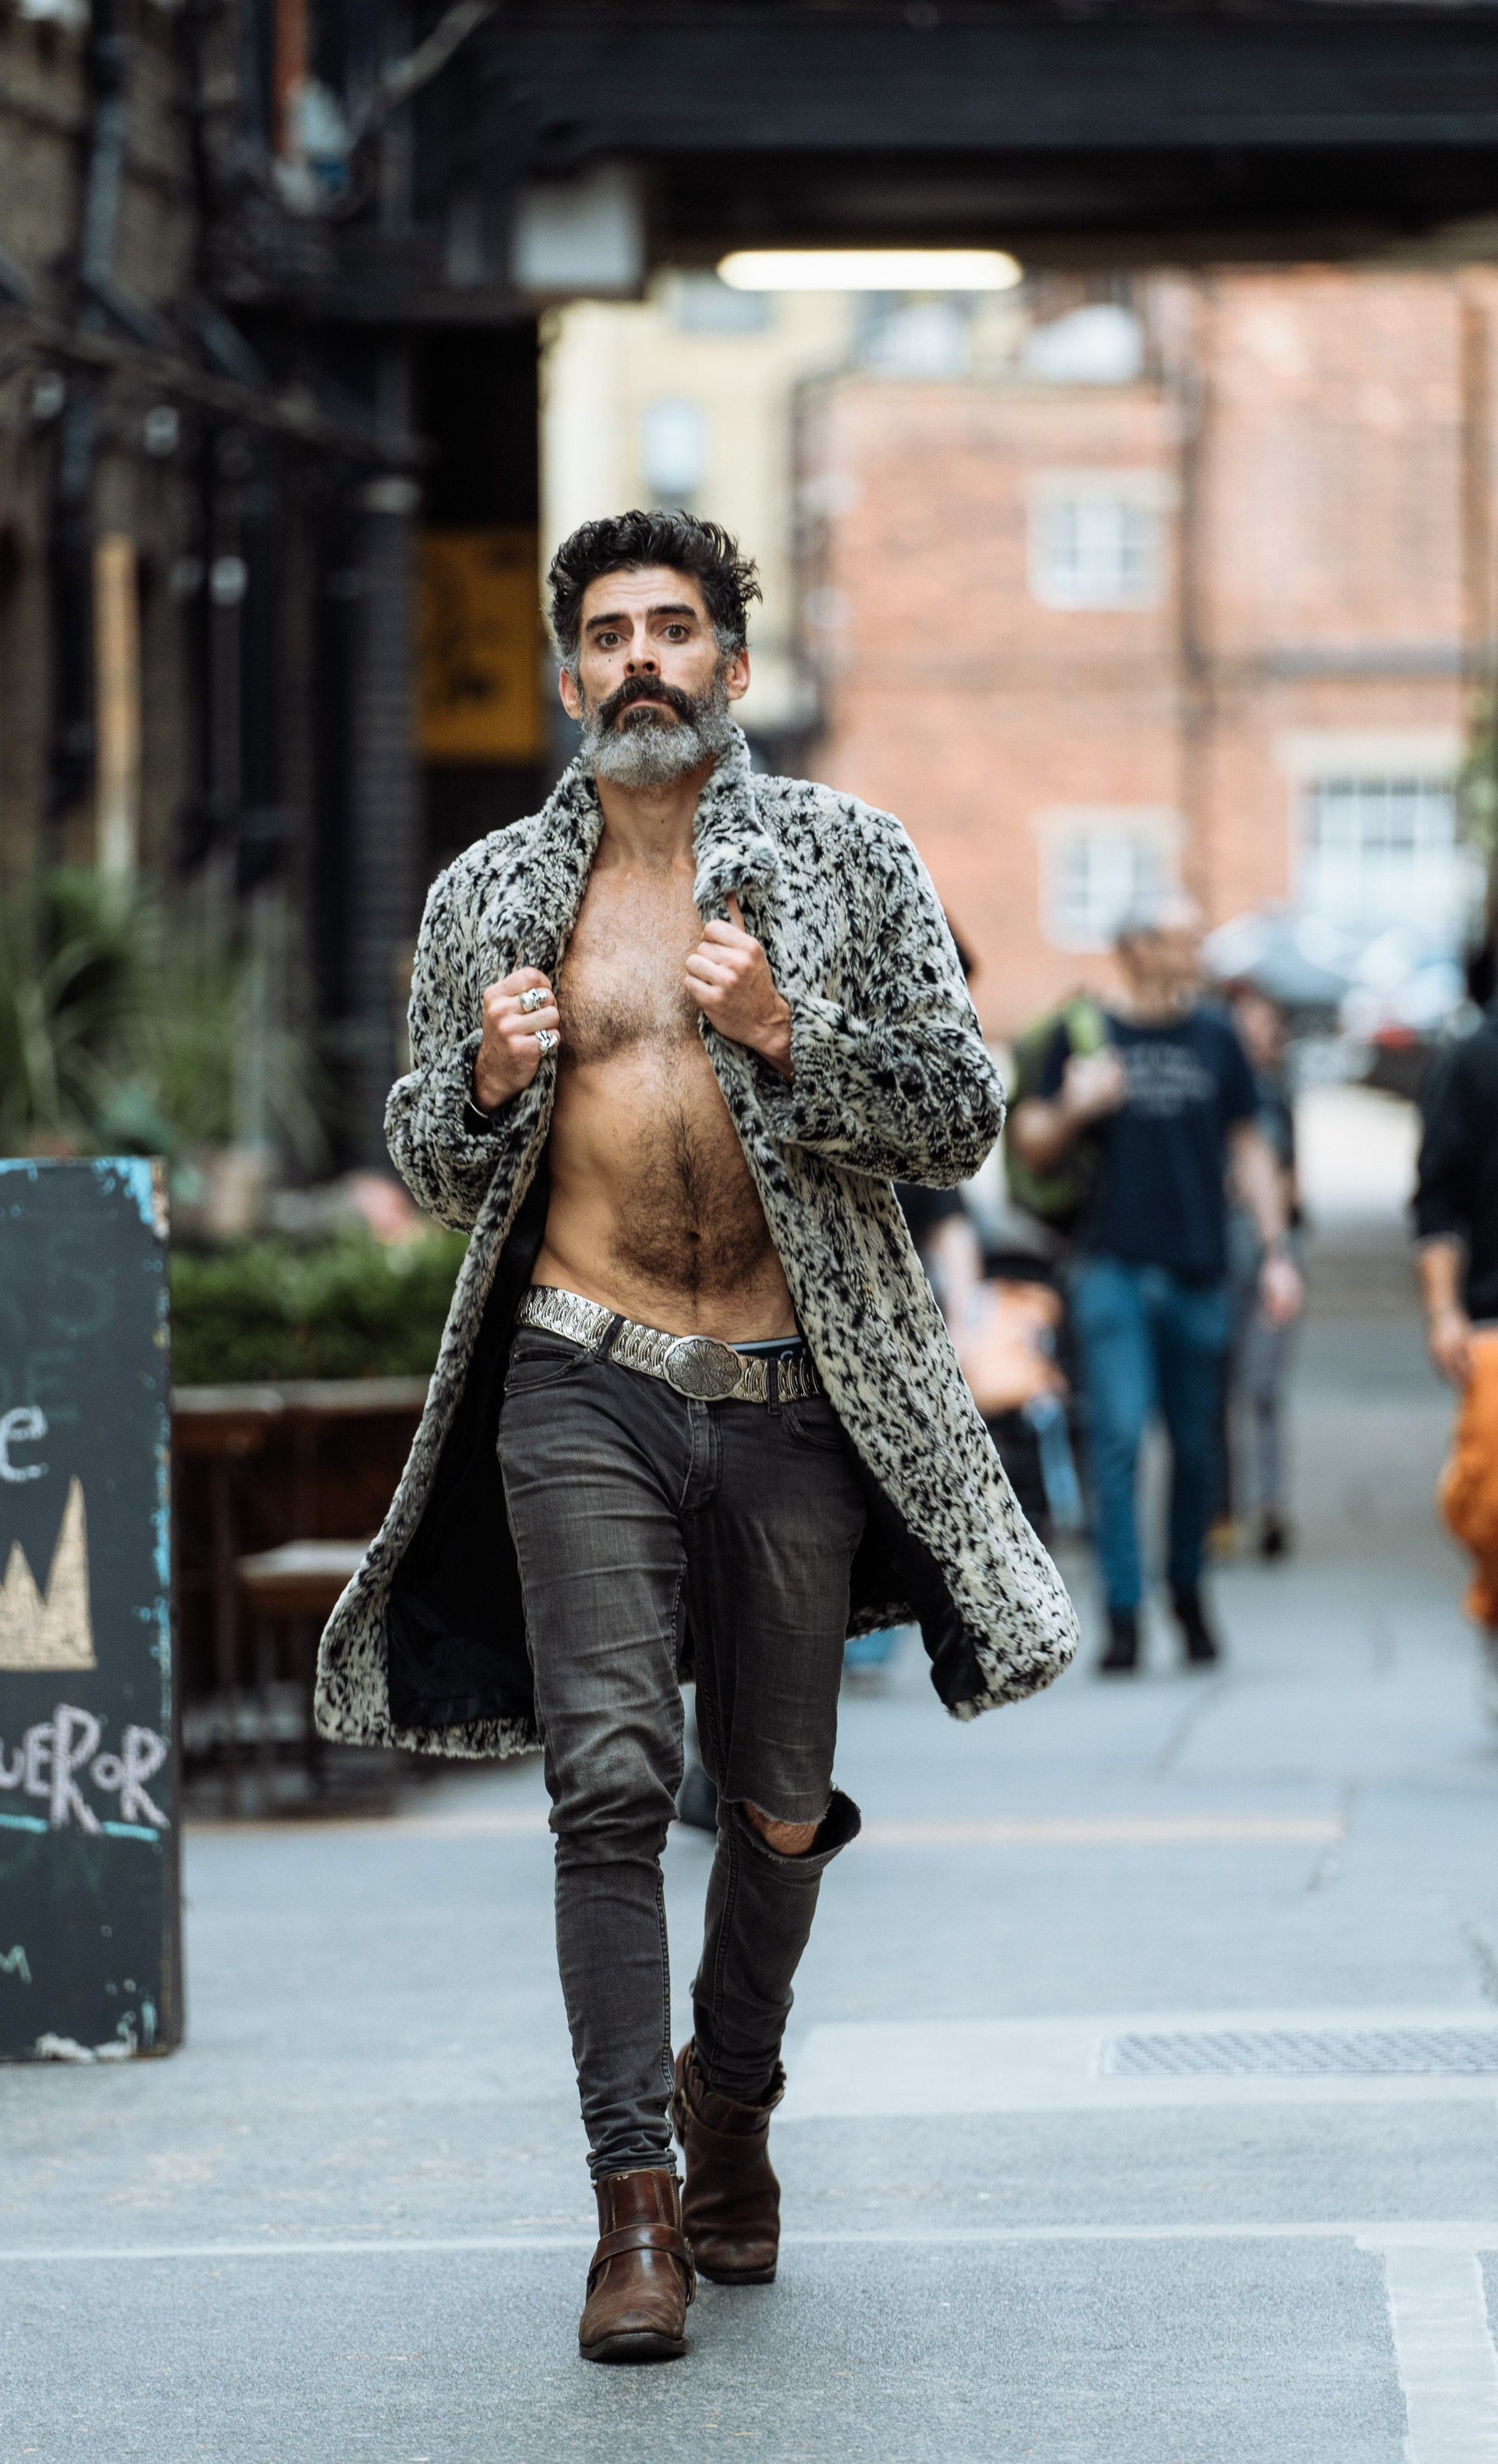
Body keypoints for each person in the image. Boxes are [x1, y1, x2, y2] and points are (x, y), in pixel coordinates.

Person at [315, 509, 1078, 2364]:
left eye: (676, 628)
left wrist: (793, 1036)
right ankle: (633, 2206)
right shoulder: (492, 893)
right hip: (580, 1378)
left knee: (781, 1802)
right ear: (574, 674)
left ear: (733, 661)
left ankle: (733, 2098)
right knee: (602, 1786)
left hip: (795, 1391)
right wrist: (489, 1084)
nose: (640, 658)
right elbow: (426, 1149)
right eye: (608, 633)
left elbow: (966, 1113)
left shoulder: (845, 858)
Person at [1009, 902, 1302, 1675]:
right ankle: (1126, 1613)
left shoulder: (1216, 1036)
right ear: (1134, 950)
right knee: (1118, 1437)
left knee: (1198, 1448)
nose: (1196, 951)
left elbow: (1248, 1146)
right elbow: (1030, 1144)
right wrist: (1077, 1104)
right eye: (1181, 939)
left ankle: (1186, 1590)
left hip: (1200, 1272)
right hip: (1110, 1268)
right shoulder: (1083, 1033)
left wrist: (1276, 1250)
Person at [1413, 972, 1498, 1706]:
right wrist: (1442, 1311)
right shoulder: (1473, 1059)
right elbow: (1436, 1195)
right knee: (1490, 1502)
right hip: (1492, 1322)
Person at [1218, 983, 1301, 1562]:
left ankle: (1269, 1507)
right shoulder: (1213, 1091)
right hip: (1216, 1259)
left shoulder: (1278, 1096)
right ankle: (1222, 1510)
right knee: (1218, 1392)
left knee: (1264, 1388)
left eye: (1265, 1020)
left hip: (1269, 1258)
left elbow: (1293, 1177)